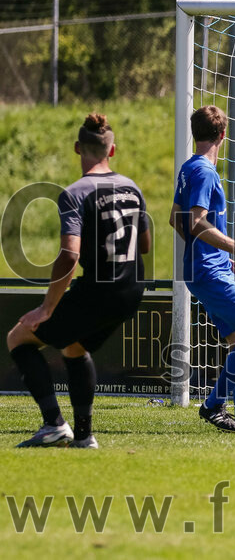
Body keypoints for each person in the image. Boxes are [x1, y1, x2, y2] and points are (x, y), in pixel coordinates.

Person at [6, 113, 150, 448]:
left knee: (19, 338)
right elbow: (143, 245)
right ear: (112, 151)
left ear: (77, 148)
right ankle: (84, 437)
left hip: (100, 290)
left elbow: (70, 256)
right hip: (133, 290)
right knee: (74, 346)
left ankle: (53, 425)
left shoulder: (75, 193)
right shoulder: (131, 187)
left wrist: (46, 307)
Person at [170, 105, 235, 434]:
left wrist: (212, 250)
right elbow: (196, 221)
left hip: (207, 267)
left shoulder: (188, 168)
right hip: (208, 271)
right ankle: (214, 405)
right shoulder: (204, 172)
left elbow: (176, 219)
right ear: (222, 136)